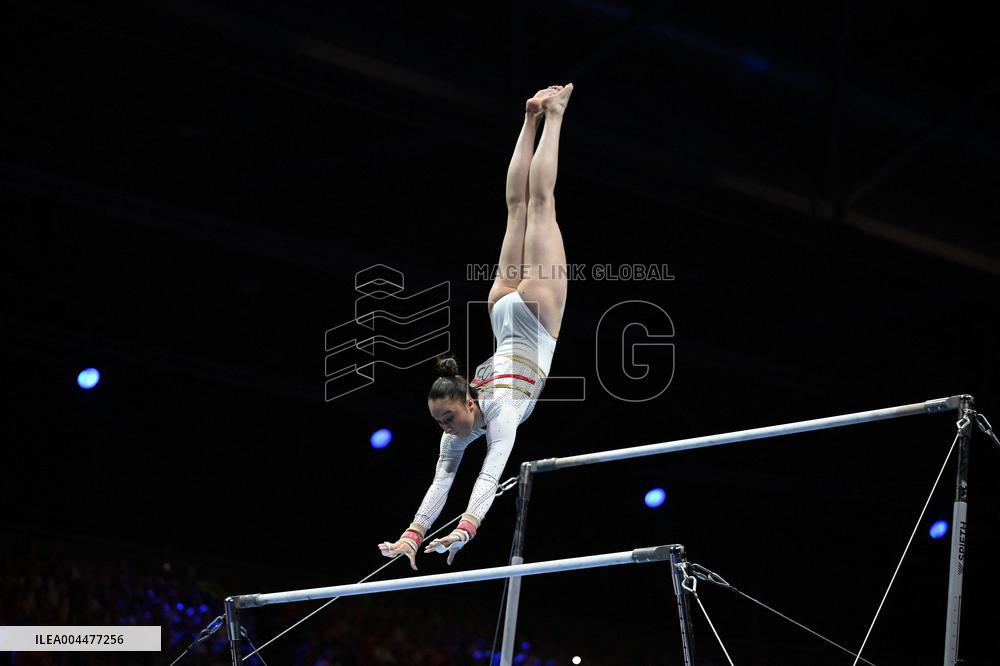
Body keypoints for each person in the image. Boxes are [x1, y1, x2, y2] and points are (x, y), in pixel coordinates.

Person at [378, 83, 574, 569]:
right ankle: (530, 118)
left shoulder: (500, 412)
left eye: (447, 419)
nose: (445, 430)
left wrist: (466, 529)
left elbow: (488, 477)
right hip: (505, 310)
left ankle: (551, 115)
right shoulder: (464, 425)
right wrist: (412, 535)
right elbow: (441, 483)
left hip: (529, 317)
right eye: (442, 423)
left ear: (469, 401)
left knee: (536, 205)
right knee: (523, 209)